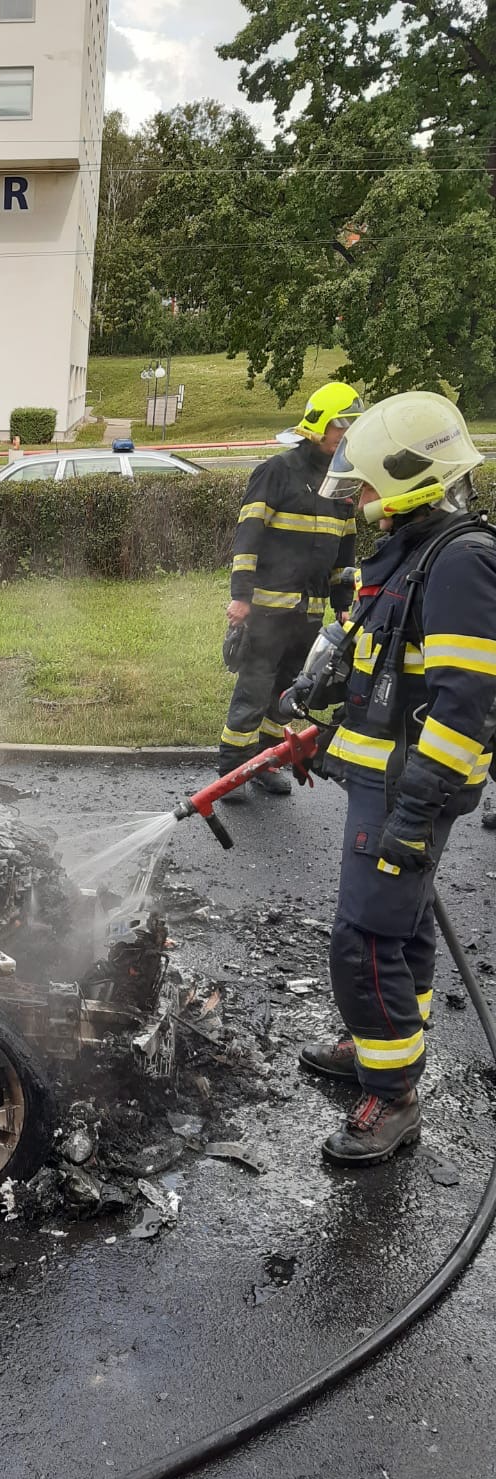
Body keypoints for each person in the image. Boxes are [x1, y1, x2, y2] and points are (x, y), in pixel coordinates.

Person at [298, 392, 493, 1164]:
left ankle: (396, 1095)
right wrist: (315, 695)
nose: (362, 498)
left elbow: (466, 703)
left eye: (369, 483)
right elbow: (377, 653)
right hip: (389, 782)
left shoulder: (462, 561)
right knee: (401, 923)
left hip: (414, 790)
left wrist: (415, 811)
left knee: (363, 939)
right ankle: (389, 1045)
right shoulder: (413, 549)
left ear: (411, 478)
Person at [218, 381, 363, 801]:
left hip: (311, 612)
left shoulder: (343, 482)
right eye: (342, 428)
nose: (347, 437)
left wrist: (342, 605)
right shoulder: (277, 471)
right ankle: (231, 770)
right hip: (267, 608)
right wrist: (241, 595)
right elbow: (248, 537)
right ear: (319, 427)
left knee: (283, 692)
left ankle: (264, 763)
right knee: (254, 689)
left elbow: (345, 549)